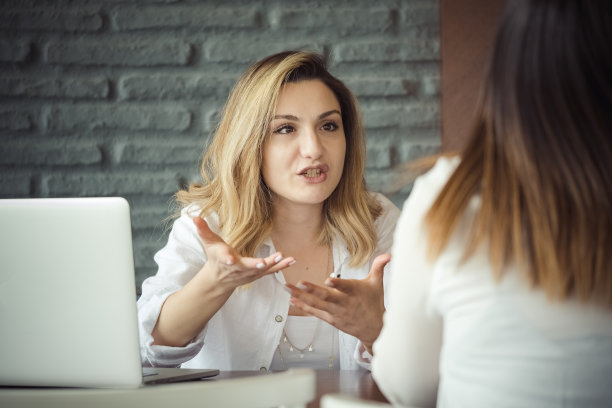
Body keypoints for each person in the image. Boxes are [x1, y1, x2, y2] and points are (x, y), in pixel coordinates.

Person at [372, 0, 612, 406]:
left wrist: (380, 323)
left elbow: (408, 388)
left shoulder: (447, 194)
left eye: (329, 125)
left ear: (509, 71)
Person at [137, 51, 400, 371]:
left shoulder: (380, 222)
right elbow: (147, 351)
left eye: (329, 125)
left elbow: (429, 368)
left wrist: (376, 330)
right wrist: (215, 282)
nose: (314, 149)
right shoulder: (208, 225)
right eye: (286, 129)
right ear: (251, 144)